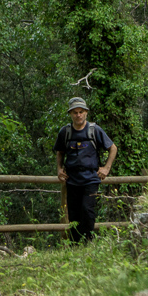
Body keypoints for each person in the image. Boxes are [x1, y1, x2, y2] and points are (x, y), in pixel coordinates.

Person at [53, 97, 117, 243]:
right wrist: (59, 169)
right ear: (70, 114)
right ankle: (75, 244)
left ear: (86, 113)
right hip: (72, 179)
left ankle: (88, 242)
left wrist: (106, 168)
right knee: (74, 214)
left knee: (87, 210)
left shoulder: (95, 130)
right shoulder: (65, 132)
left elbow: (112, 148)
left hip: (91, 178)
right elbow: (60, 152)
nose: (78, 115)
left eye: (81, 112)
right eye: (75, 112)